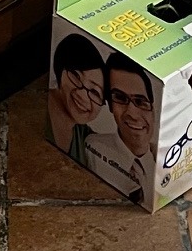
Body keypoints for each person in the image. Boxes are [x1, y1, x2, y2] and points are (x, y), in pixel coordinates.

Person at [84, 53, 157, 205]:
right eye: (120, 98)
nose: (132, 113)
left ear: (153, 109)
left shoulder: (163, 162)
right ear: (110, 105)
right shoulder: (93, 148)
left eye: (140, 101)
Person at [46, 34, 106, 165]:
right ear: (60, 70)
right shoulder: (37, 110)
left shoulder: (87, 138)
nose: (82, 95)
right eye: (76, 76)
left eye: (94, 92)